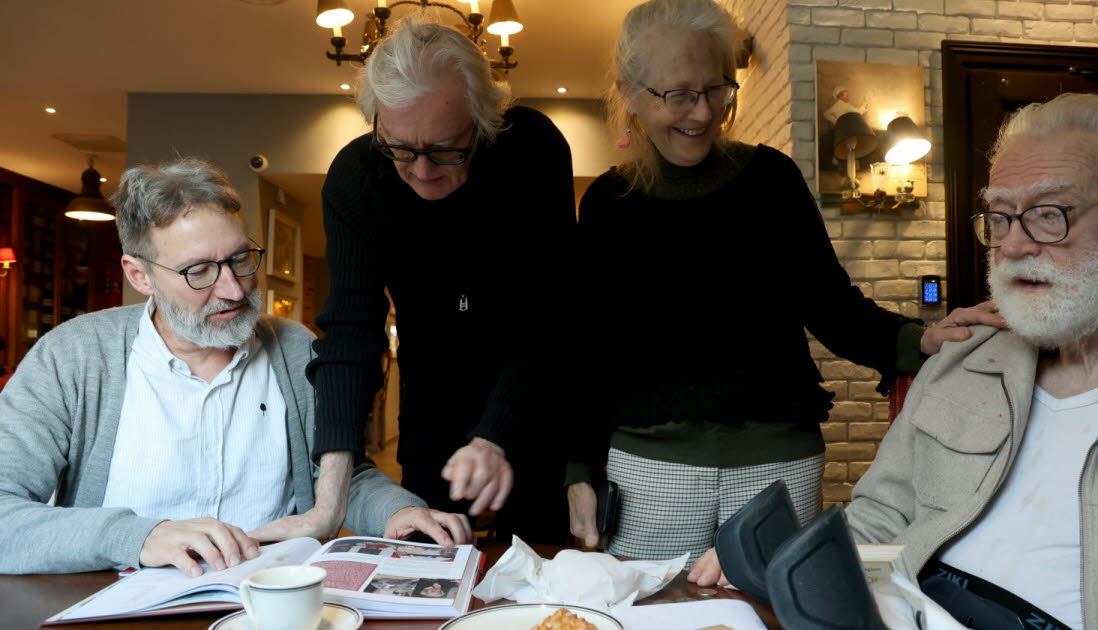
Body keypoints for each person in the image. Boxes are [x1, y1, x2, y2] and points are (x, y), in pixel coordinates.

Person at [695, 93, 1098, 628]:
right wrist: (792, 567)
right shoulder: (965, 357)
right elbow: (879, 519)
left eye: (1049, 215)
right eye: (1001, 218)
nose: (1011, 246)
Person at [568, 0, 1005, 567]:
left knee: (780, 612)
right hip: (651, 473)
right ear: (630, 91)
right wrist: (577, 468)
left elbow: (829, 304)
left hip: (777, 466)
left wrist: (917, 338)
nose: (703, 113)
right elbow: (586, 349)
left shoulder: (770, 178)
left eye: (717, 88)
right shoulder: (608, 204)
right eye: (679, 94)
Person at [0, 158, 471, 576]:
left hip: (272, 602)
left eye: (241, 259)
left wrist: (396, 511)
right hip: (124, 606)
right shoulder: (72, 356)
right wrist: (139, 537)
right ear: (138, 275)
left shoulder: (292, 347)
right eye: (199, 271)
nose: (232, 288)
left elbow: (343, 471)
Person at [307, 17, 577, 542]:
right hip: (431, 411)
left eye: (447, 149)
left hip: (536, 404)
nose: (423, 171)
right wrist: (329, 501)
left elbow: (548, 313)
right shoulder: (357, 176)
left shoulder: (532, 149)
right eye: (401, 149)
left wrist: (494, 438)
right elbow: (349, 332)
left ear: (483, 122)